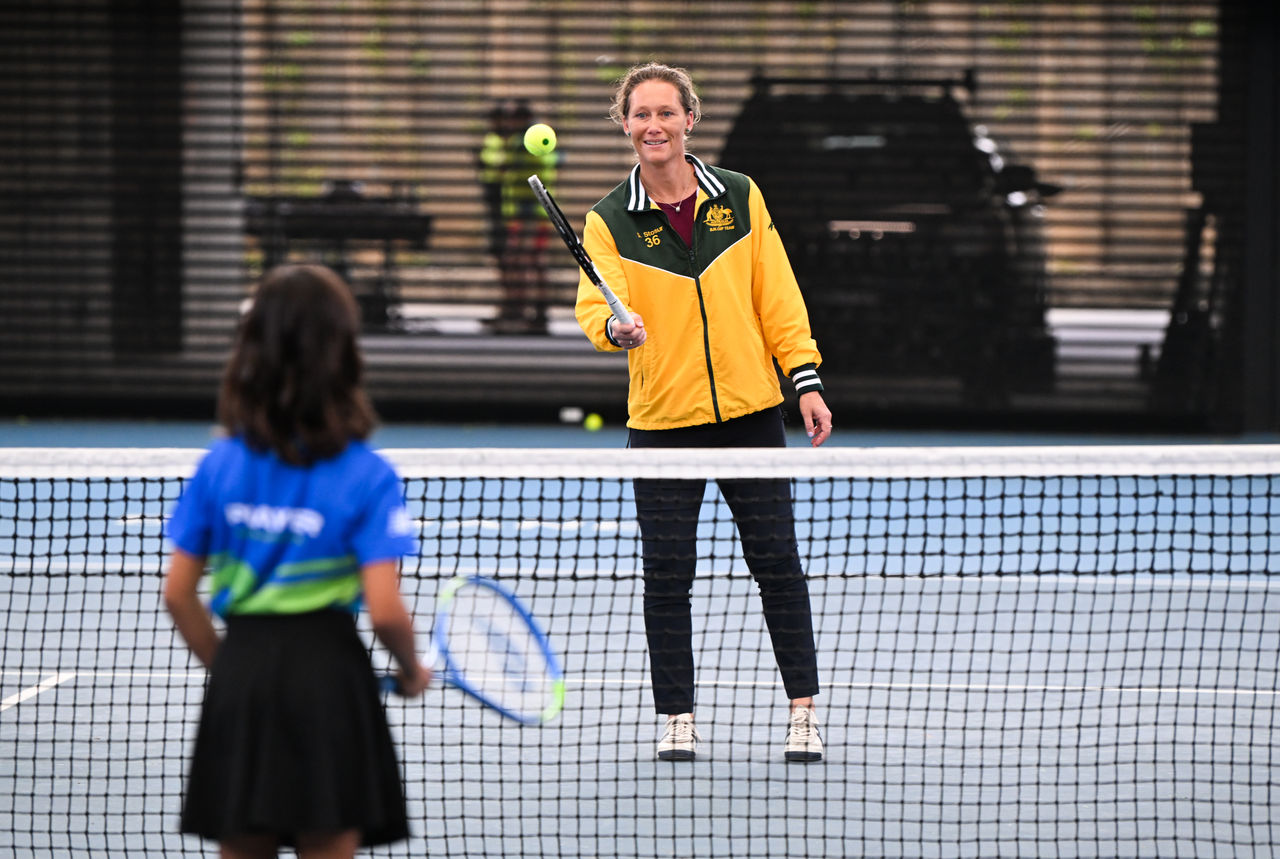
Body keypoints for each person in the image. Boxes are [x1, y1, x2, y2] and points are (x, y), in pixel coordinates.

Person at [574, 62, 833, 763]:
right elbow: (597, 303)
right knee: (667, 575)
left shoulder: (741, 198)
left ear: (690, 118)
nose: (652, 125)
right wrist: (614, 329)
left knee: (778, 562)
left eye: (665, 111)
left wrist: (802, 379)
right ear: (624, 125)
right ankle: (677, 715)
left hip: (750, 414)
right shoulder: (607, 220)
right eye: (639, 114)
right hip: (662, 421)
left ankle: (803, 713)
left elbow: (776, 296)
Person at [162, 263, 432, 858]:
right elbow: (386, 612)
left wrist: (230, 666)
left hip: (243, 677)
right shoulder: (368, 475)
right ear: (343, 353)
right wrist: (411, 671)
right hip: (330, 682)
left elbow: (178, 594)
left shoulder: (219, 465)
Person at [477, 99, 561, 334]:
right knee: (528, 261)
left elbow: (501, 170)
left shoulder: (526, 142)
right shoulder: (533, 139)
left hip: (530, 210)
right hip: (529, 210)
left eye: (512, 118)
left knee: (523, 261)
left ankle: (526, 314)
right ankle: (533, 314)